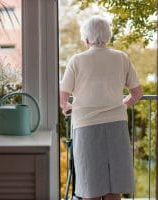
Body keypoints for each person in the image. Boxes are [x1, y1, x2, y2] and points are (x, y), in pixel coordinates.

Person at [60, 15, 143, 200]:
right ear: (108, 35)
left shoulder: (76, 60)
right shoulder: (121, 58)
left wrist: (68, 107)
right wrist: (122, 105)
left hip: (86, 127)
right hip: (116, 125)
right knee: (115, 189)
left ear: (86, 38)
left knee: (91, 187)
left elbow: (62, 98)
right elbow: (137, 94)